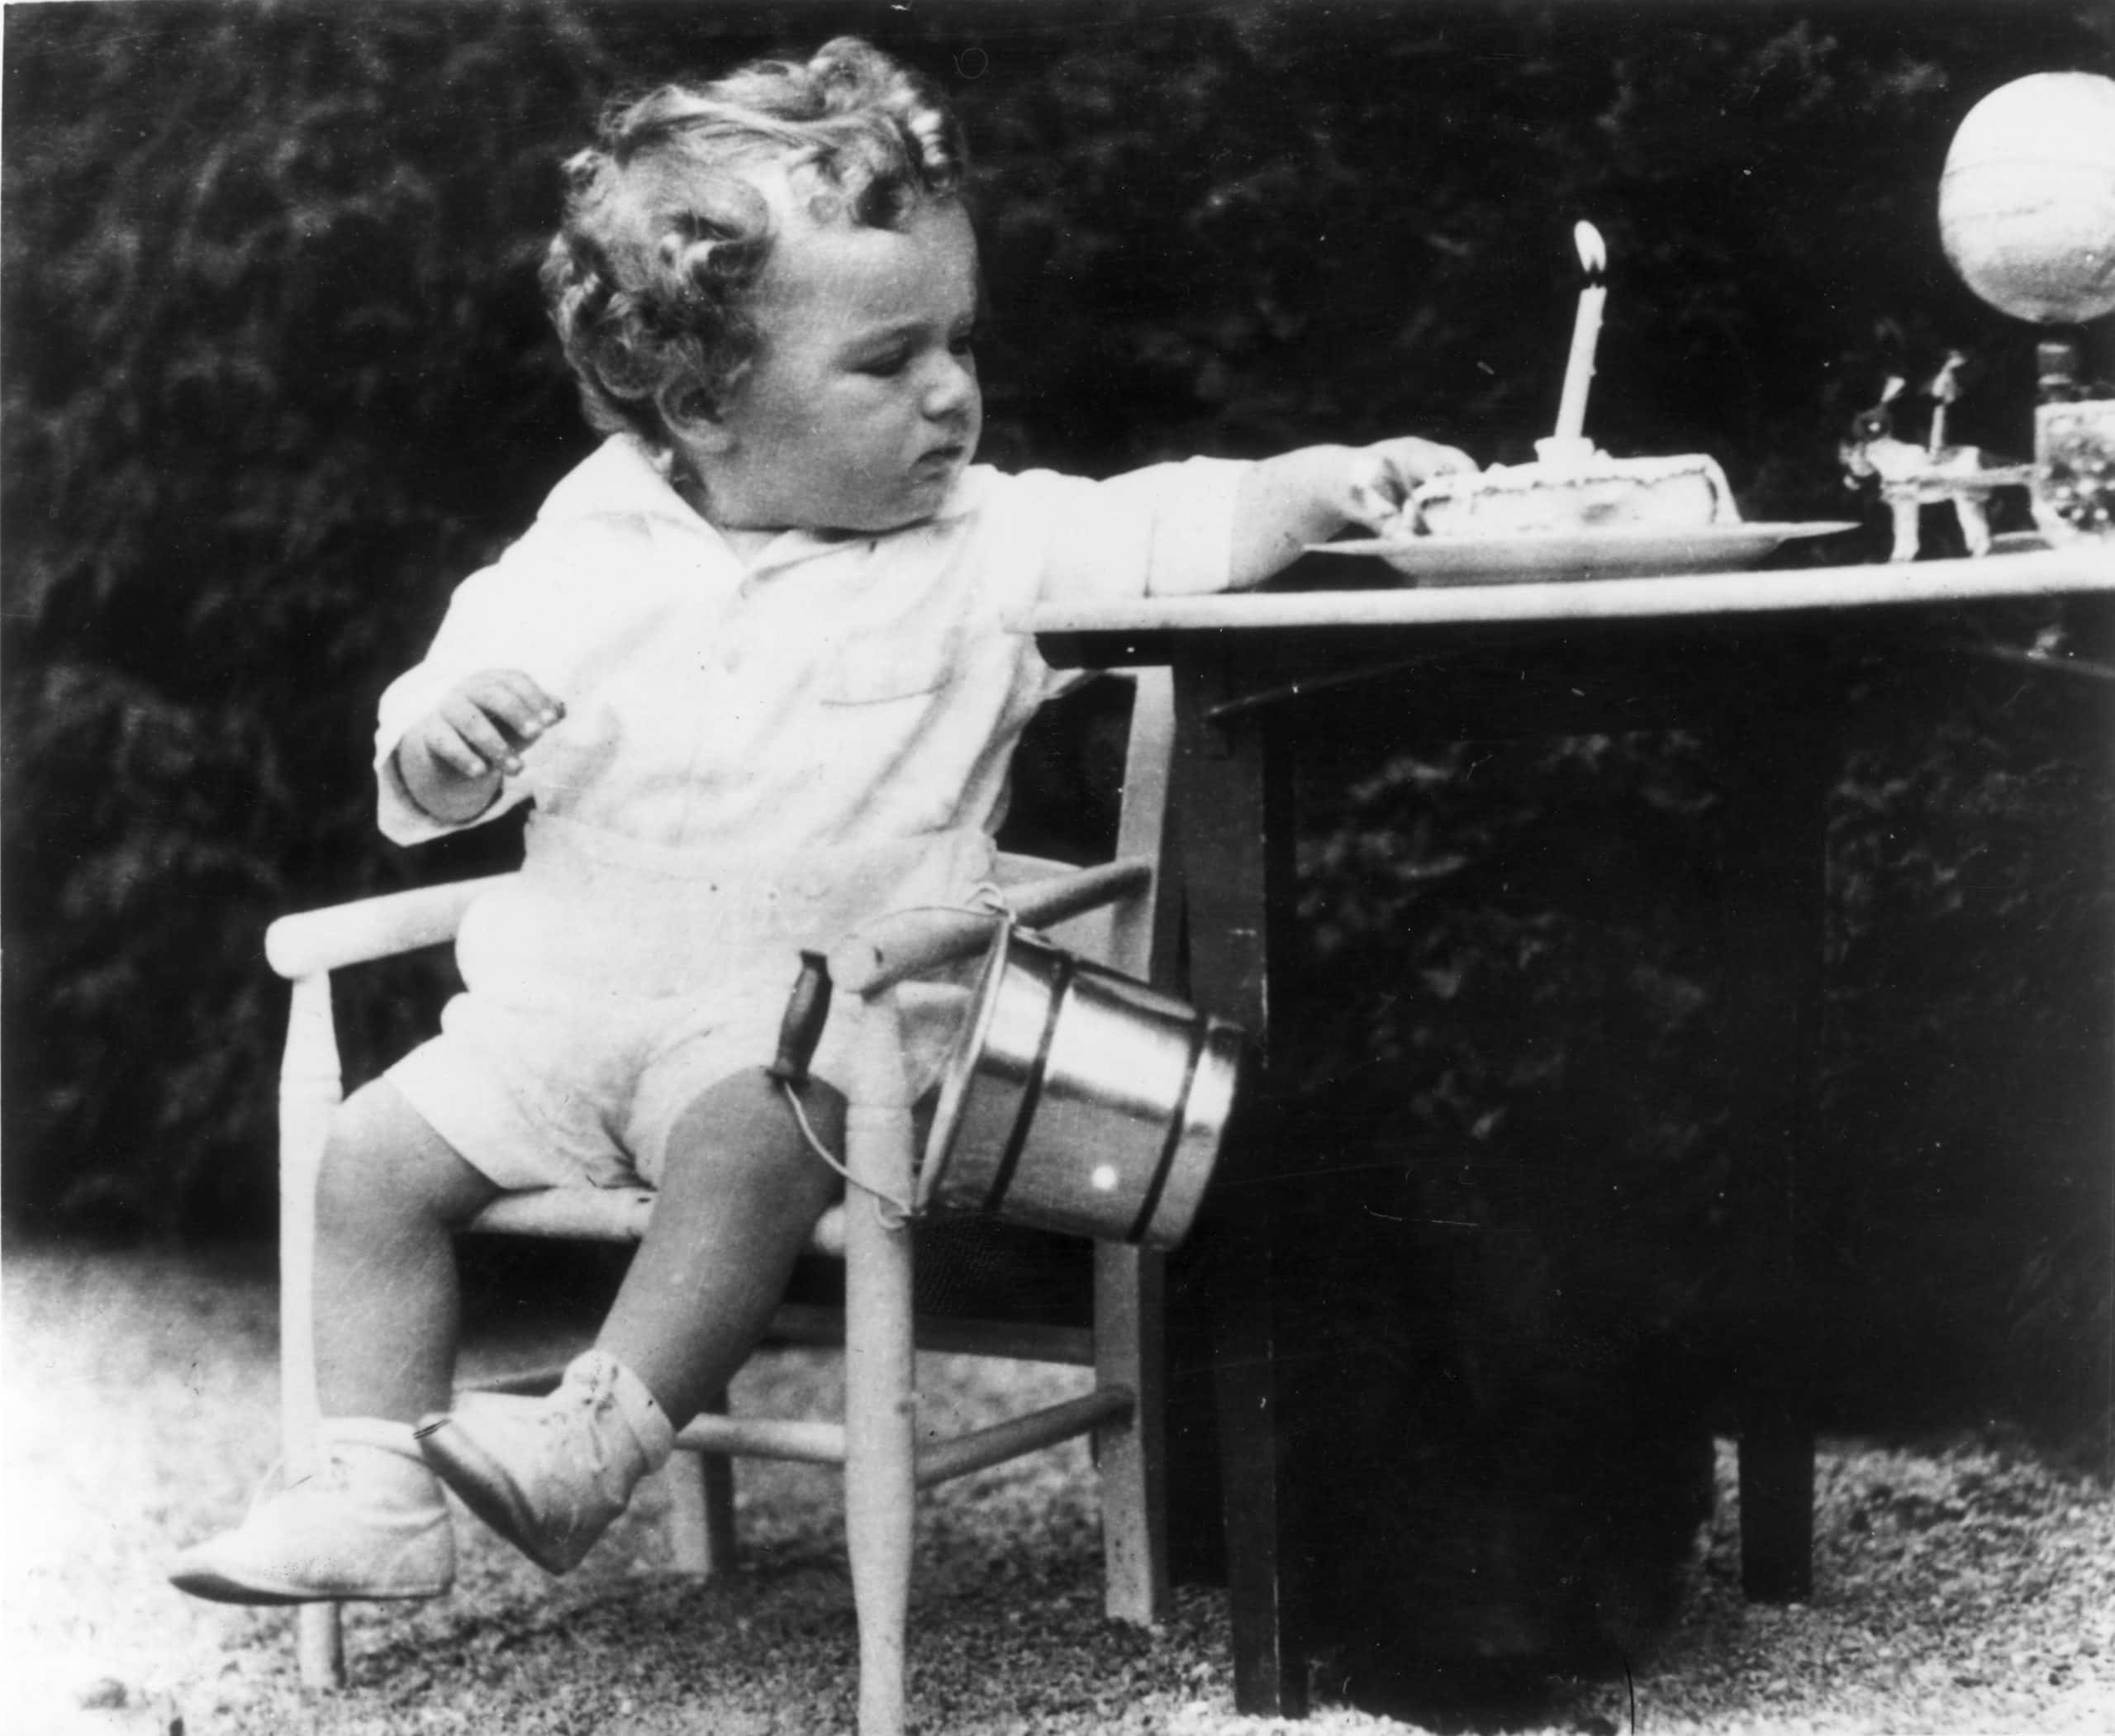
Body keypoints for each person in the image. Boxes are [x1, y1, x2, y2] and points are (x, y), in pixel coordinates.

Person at [170, 36, 1473, 1604]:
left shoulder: (992, 545)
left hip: (825, 1035)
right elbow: (451, 713)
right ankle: (372, 1486)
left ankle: (603, 1428)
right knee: (372, 1160)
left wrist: (1326, 482)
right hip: (561, 1010)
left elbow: (1169, 518)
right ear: (701, 400)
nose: (951, 395)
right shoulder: (596, 538)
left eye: (961, 343)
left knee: (750, 1134)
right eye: (886, 363)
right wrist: (449, 741)